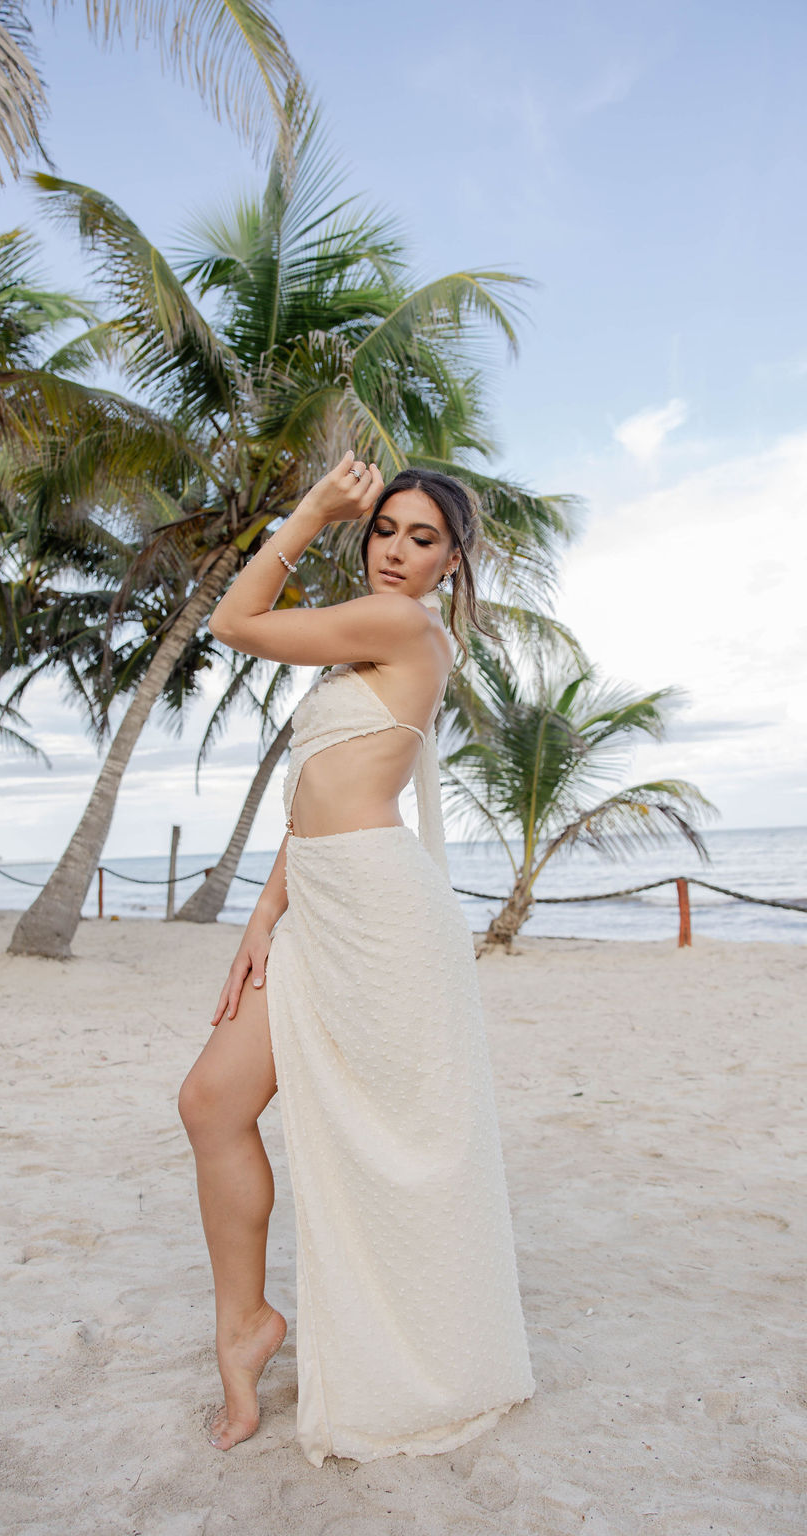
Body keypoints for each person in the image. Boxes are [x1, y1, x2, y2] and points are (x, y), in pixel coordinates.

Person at [178, 452, 534, 1466]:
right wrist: (262, 916)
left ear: (451, 560)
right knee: (211, 1103)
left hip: (379, 912)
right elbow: (320, 790)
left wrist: (304, 513)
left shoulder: (402, 626)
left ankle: (403, 1342)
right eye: (383, 528)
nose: (395, 549)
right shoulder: (366, 643)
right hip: (319, 901)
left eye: (422, 538)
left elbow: (234, 624)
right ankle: (245, 1322)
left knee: (393, 1143)